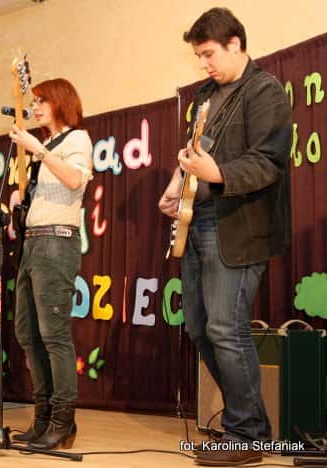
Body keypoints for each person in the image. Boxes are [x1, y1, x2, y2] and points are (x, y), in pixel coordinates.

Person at [158, 8, 291, 466]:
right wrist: (177, 185)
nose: (203, 64)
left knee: (225, 328)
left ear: (235, 44)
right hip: (197, 221)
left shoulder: (265, 90)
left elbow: (269, 162)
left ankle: (246, 434)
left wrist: (215, 173)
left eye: (208, 54)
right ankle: (248, 424)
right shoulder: (205, 96)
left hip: (238, 226)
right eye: (198, 56)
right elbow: (194, 154)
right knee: (199, 327)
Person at [8, 78, 93, 450]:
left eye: (42, 100)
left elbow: (74, 179)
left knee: (54, 334)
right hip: (32, 243)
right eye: (34, 100)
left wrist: (38, 150)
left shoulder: (77, 139)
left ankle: (63, 421)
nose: (36, 106)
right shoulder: (50, 145)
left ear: (61, 102)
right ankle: (42, 417)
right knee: (28, 333)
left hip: (57, 241)